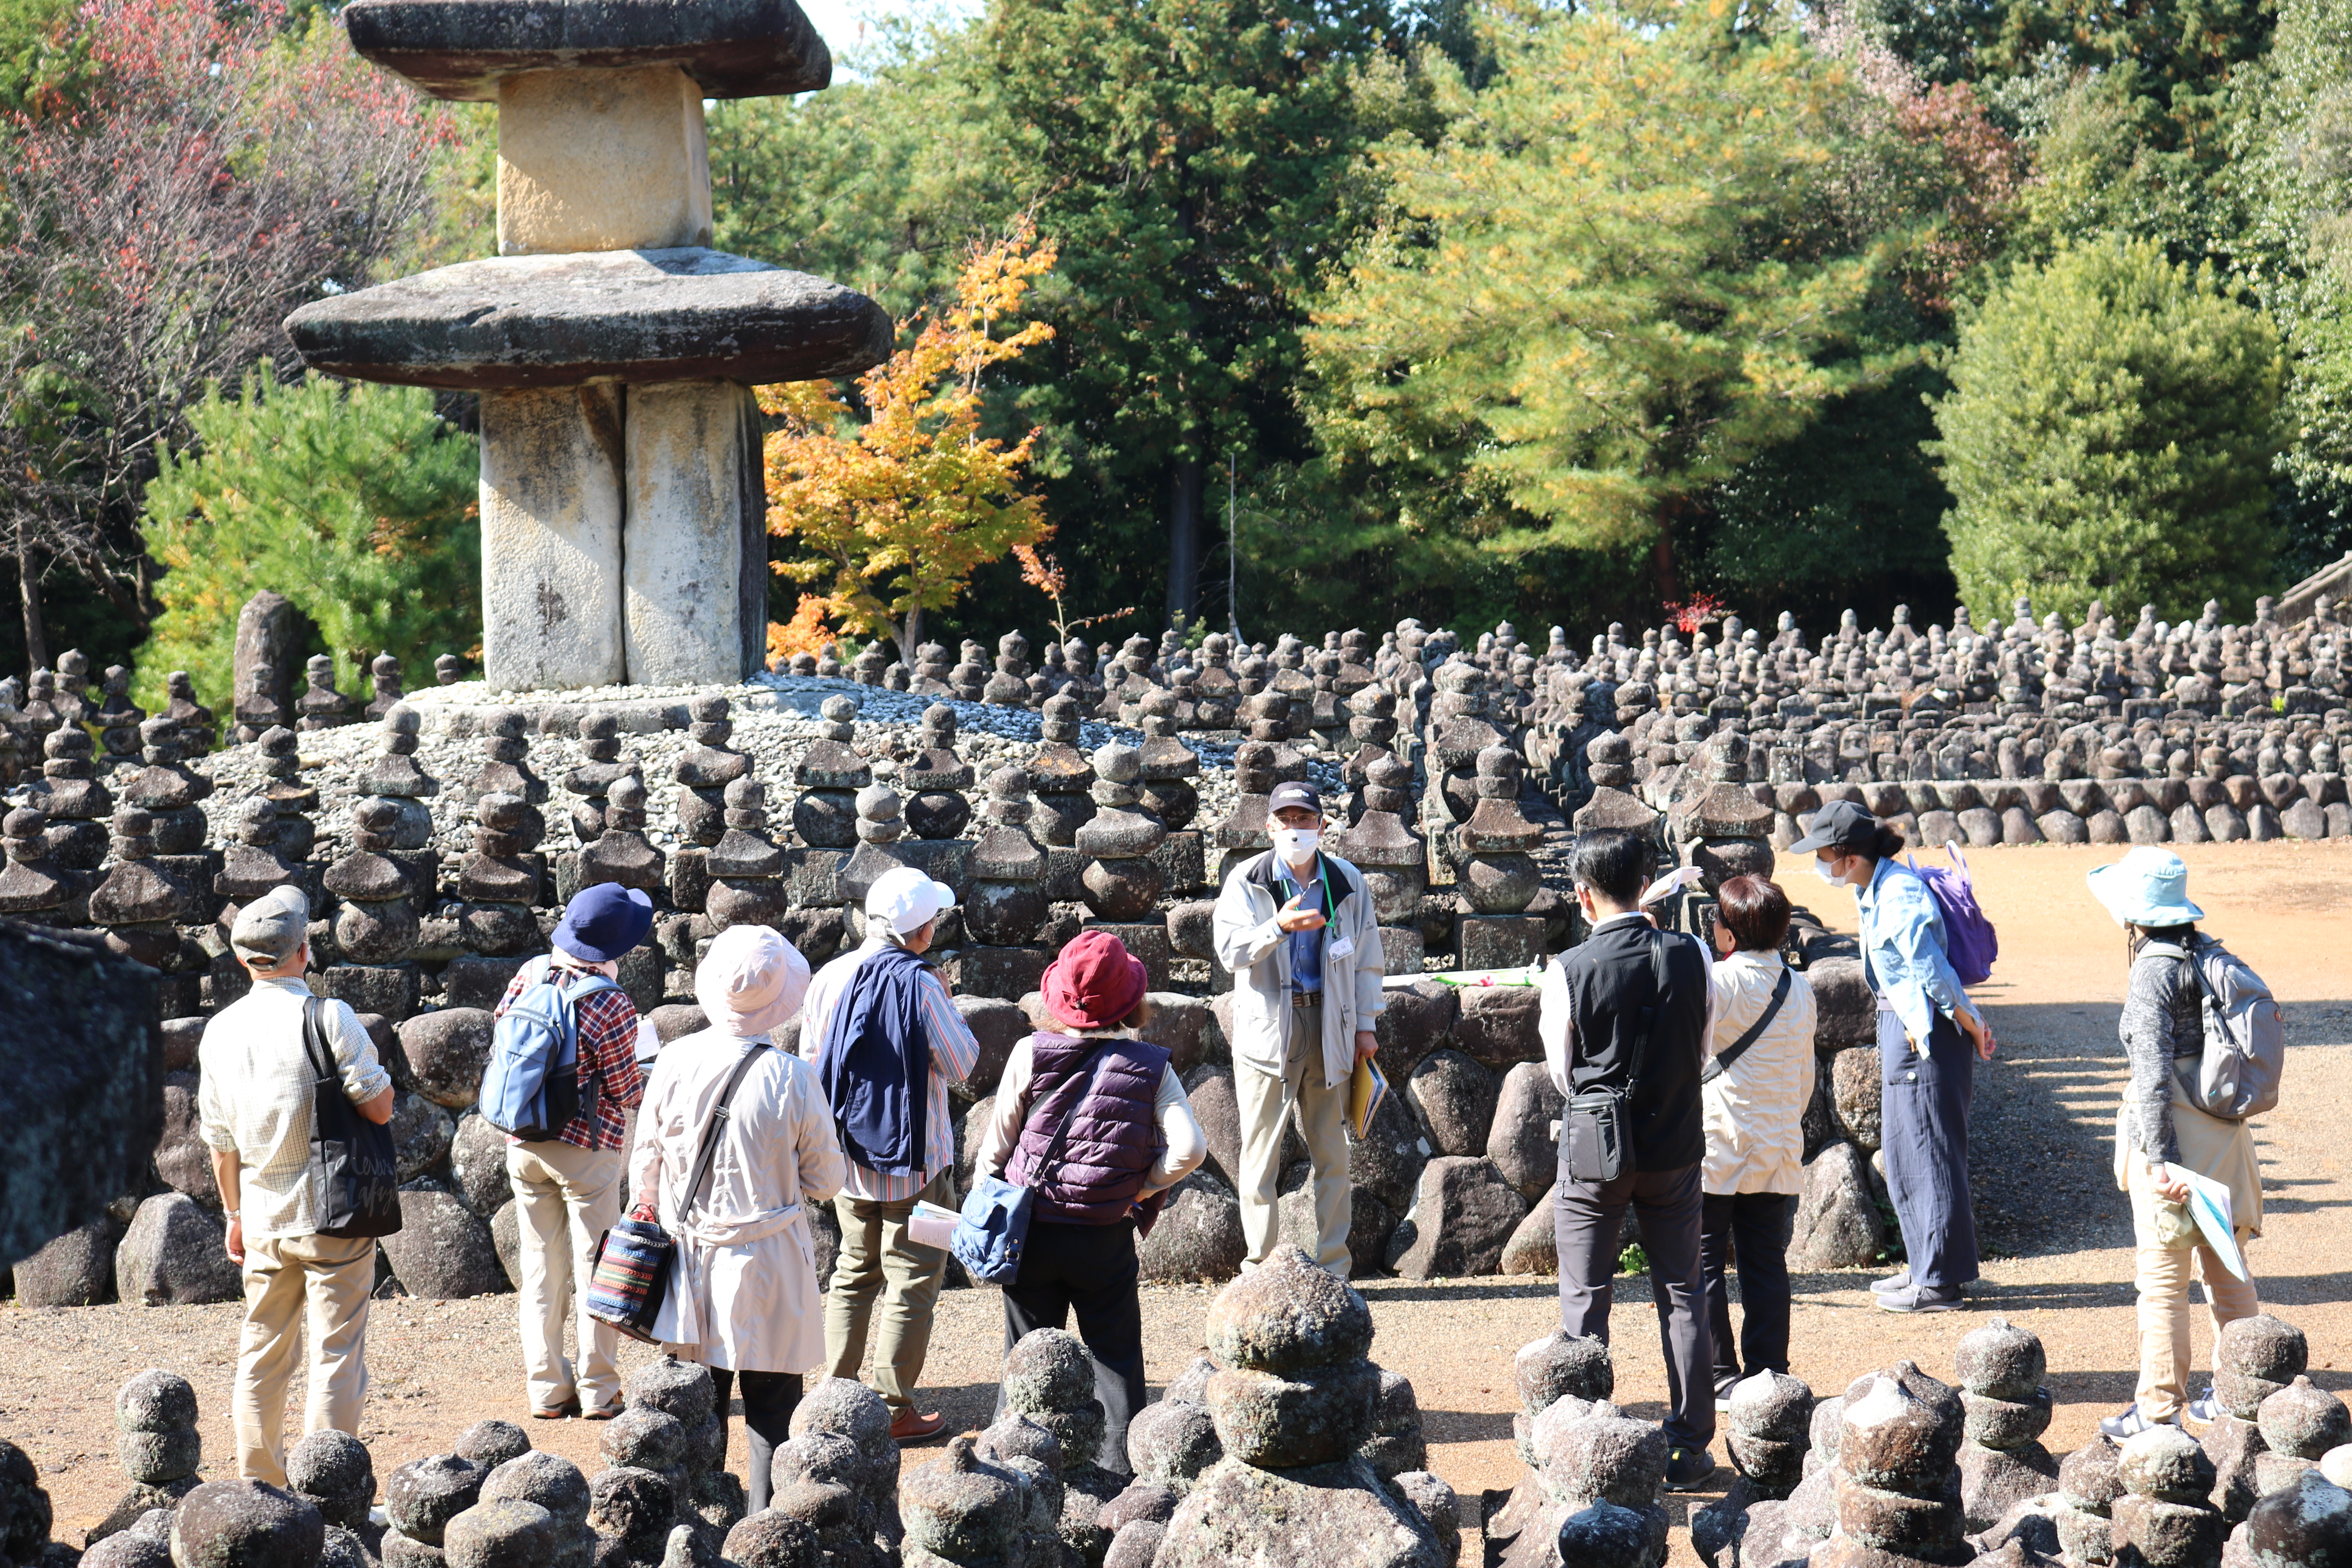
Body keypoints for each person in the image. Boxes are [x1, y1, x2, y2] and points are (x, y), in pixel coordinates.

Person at [973, 930, 1207, 1472]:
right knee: (1115, 1358)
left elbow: (995, 1150)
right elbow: (1191, 1148)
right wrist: (1141, 1188)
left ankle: (1012, 1470)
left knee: (1026, 1358)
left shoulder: (1031, 1052)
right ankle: (1123, 1485)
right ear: (1132, 1003)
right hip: (1105, 1234)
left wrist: (991, 1208)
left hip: (1032, 1231)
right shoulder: (1152, 1066)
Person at [632, 924, 844, 1508]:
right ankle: (767, 1530)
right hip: (769, 1260)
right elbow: (827, 1181)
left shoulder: (673, 1061)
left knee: (696, 1415)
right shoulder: (794, 1078)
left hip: (691, 1259)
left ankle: (695, 1528)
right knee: (774, 1415)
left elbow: (644, 1168)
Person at [1537, 827, 1718, 1490]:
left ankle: (1586, 1440)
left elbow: (1563, 1074)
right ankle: (1690, 1444)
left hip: (1594, 1151)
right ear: (1646, 885)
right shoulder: (1693, 952)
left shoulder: (1569, 970)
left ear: (1583, 896)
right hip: (1673, 1144)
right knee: (1683, 1292)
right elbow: (1703, 1048)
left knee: (1586, 1295)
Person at [197, 885, 395, 1486]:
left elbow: (219, 1140)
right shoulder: (328, 1016)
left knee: (262, 1353)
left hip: (261, 1217)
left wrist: (233, 1215)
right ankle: (327, 1490)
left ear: (243, 961)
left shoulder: (219, 1031)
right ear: (303, 951)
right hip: (332, 1212)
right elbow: (379, 1108)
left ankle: (262, 1486)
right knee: (337, 1354)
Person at [1791, 802, 1995, 1314]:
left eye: (1822, 854)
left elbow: (1930, 968)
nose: (1819, 864)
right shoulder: (1875, 886)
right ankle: (1926, 1267)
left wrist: (1971, 1022)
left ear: (1847, 854)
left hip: (1925, 1030)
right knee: (1905, 1153)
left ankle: (1940, 1282)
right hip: (1903, 1024)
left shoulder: (1899, 892)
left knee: (1929, 1151)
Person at [2085, 848, 2262, 1439]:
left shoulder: (2150, 971)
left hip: (2174, 1141)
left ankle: (2159, 1410)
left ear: (2134, 914)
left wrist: (2158, 1158)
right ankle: (2248, 1392)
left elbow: (2152, 1071)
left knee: (2161, 1283)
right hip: (2223, 1135)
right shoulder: (2204, 952)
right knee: (2227, 1270)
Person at [799, 864, 980, 1441]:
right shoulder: (923, 982)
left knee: (854, 1270)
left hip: (849, 1163)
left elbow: (811, 1061)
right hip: (923, 1166)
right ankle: (894, 1405)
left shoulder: (831, 976)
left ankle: (835, 1394)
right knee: (918, 1278)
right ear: (922, 930)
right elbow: (961, 1064)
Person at [1210, 779, 1386, 1274]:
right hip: (1269, 1028)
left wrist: (1366, 1026)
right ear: (1268, 826)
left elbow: (1368, 958)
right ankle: (1259, 1270)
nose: (1295, 829)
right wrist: (1278, 927)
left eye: (1304, 820)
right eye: (1285, 820)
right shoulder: (1247, 880)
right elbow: (1230, 952)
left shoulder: (1347, 881)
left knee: (1332, 1153)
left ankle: (1334, 1268)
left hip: (1330, 1023)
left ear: (1322, 827)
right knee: (1260, 1154)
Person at [494, 883, 653, 1419]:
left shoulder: (530, 974)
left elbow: (503, 1036)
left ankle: (546, 1389)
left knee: (540, 1267)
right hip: (586, 1150)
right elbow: (627, 1090)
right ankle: (599, 1391)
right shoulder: (610, 1002)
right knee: (595, 1268)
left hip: (523, 1141)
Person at [1695, 875, 1818, 1405]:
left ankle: (1720, 1373)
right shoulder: (1801, 988)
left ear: (1727, 936)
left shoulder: (1716, 985)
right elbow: (1805, 1078)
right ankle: (1771, 1373)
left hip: (1716, 1143)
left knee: (1701, 1262)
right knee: (1765, 1261)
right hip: (1776, 1143)